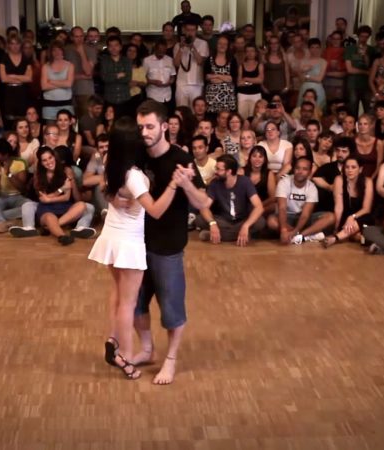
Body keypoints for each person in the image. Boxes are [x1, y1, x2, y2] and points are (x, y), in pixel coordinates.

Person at [88, 117, 183, 380]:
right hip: (128, 243)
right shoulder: (135, 177)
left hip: (111, 238)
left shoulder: (111, 162)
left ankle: (114, 339)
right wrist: (174, 184)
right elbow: (155, 210)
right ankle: (126, 356)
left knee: (118, 295)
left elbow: (104, 188)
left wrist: (113, 197)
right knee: (128, 304)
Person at [131, 100, 211, 385]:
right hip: (137, 243)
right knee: (135, 304)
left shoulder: (181, 158)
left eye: (150, 126)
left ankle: (171, 359)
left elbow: (204, 202)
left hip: (168, 246)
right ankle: (147, 349)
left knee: (171, 309)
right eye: (141, 127)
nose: (145, 132)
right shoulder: (138, 155)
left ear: (164, 126)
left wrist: (185, 183)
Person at [196, 154, 265, 245]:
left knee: (260, 222)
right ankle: (240, 236)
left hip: (242, 221)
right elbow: (204, 207)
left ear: (229, 171)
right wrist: (212, 223)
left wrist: (246, 225)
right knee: (199, 219)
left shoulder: (245, 182)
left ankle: (218, 236)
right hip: (223, 221)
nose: (216, 172)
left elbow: (259, 207)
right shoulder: (215, 183)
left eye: (218, 169)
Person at [268, 157, 333, 244]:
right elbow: (282, 208)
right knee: (271, 220)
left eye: (304, 169)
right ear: (293, 169)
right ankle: (305, 236)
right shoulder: (284, 182)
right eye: (297, 168)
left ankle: (300, 236)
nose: (300, 172)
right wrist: (283, 229)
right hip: (287, 217)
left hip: (303, 218)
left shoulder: (312, 188)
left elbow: (305, 214)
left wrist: (295, 231)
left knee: (330, 217)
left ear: (309, 172)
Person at [322, 156, 374, 247]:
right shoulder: (339, 180)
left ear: (360, 169)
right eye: (347, 167)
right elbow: (339, 207)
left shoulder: (368, 181)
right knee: (355, 235)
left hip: (362, 215)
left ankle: (335, 238)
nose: (350, 170)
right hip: (345, 217)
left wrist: (352, 217)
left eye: (353, 167)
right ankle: (365, 240)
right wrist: (336, 227)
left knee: (361, 223)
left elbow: (366, 209)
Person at [0, 139, 28, 233]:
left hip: (18, 197)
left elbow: (22, 188)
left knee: (30, 205)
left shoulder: (19, 163)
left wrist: (8, 173)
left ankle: (0, 217)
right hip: (1, 197)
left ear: (5, 155)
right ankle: (2, 224)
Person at [173, 21, 209, 108]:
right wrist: (181, 48)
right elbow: (176, 64)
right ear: (184, 31)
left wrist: (192, 47)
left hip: (197, 83)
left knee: (195, 110)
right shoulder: (178, 45)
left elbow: (200, 61)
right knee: (181, 110)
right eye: (188, 30)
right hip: (181, 83)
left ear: (196, 31)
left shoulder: (203, 43)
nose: (190, 32)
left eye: (192, 30)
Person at [0, 36, 33, 121]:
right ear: (8, 45)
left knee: (23, 119)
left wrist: (13, 76)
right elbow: (3, 79)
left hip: (23, 93)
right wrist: (21, 78)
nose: (15, 46)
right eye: (12, 44)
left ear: (20, 45)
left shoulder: (25, 58)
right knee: (9, 120)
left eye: (17, 44)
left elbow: (29, 78)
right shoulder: (4, 58)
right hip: (8, 93)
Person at [204, 35, 237, 114]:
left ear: (228, 46)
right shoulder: (209, 59)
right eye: (220, 43)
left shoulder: (232, 60)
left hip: (228, 98)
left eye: (225, 44)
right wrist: (224, 78)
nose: (222, 46)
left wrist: (217, 76)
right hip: (212, 97)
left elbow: (231, 78)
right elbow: (207, 76)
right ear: (216, 45)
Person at [143, 38, 176, 105]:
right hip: (152, 94)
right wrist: (152, 82)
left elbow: (173, 75)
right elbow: (142, 77)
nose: (162, 52)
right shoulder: (147, 60)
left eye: (164, 50)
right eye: (160, 49)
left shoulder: (169, 60)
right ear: (155, 49)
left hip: (167, 95)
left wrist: (170, 82)